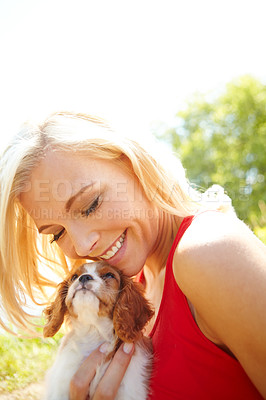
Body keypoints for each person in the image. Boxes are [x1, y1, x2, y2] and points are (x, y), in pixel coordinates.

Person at [0, 111, 265, 400]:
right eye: (57, 233)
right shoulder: (132, 281)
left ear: (133, 164)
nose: (84, 246)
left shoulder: (210, 252)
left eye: (91, 205)